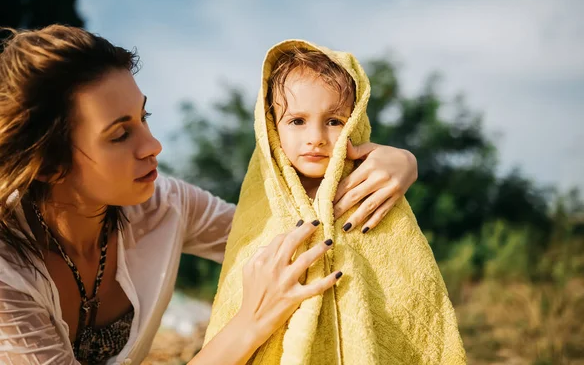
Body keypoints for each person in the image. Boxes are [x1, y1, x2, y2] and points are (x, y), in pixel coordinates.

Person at [0, 25, 418, 365]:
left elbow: (281, 234)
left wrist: (391, 162)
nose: (153, 145)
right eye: (121, 133)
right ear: (50, 162)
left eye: (143, 117)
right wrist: (246, 327)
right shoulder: (7, 274)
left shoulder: (165, 205)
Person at [204, 41, 465, 364]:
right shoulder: (259, 215)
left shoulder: (374, 194)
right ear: (271, 127)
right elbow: (234, 297)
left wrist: (407, 159)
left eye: (334, 121)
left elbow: (411, 291)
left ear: (354, 122)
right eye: (297, 120)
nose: (316, 137)